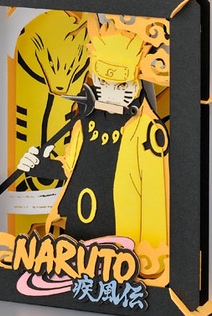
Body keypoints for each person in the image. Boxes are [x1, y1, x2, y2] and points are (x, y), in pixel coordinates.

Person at [17, 30, 169, 249]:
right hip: (77, 233)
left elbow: (156, 200)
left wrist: (152, 256)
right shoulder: (85, 122)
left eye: (122, 86)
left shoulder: (148, 132)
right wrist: (39, 165)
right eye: (104, 83)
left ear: (138, 84)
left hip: (123, 237)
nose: (111, 94)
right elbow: (72, 168)